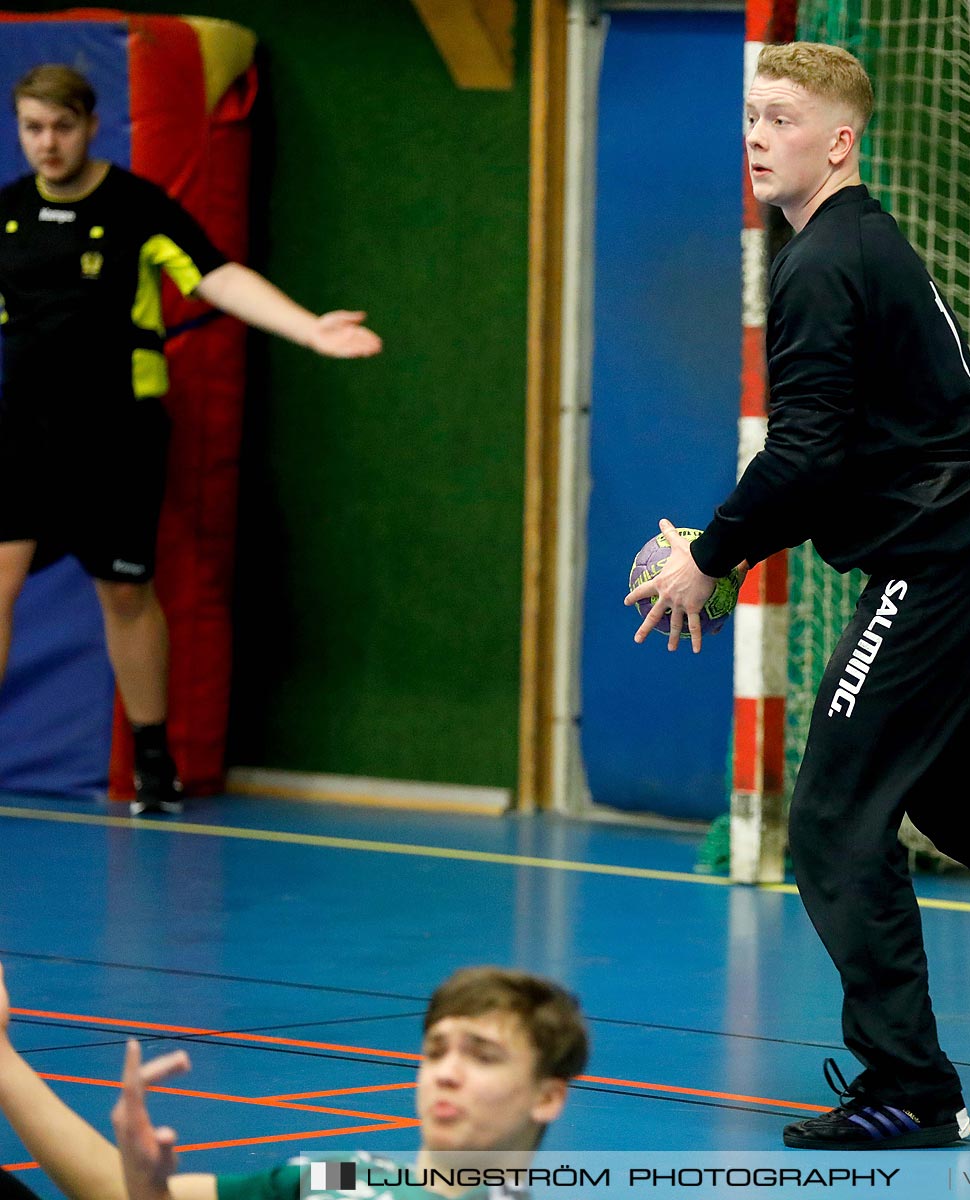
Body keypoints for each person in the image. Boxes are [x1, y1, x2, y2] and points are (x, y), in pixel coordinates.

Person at [623, 43, 970, 1151]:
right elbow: (829, 449)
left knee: (831, 816)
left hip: (945, 568)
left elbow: (807, 456)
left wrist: (710, 557)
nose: (759, 137)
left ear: (841, 139)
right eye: (750, 118)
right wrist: (730, 541)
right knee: (958, 790)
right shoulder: (851, 246)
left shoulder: (825, 260)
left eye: (782, 118)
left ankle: (911, 1088)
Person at [0, 64, 383, 816]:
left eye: (62, 127)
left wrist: (309, 327)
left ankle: (152, 759)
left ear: (93, 125)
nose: (47, 144)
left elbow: (217, 277)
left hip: (117, 432)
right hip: (21, 431)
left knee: (125, 592)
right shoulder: (6, 214)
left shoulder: (137, 208)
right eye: (32, 128)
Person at [0, 961, 588, 1199]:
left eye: (482, 1057)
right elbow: (111, 1190)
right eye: (436, 1052)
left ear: (548, 1096)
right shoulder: (340, 1179)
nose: (448, 1074)